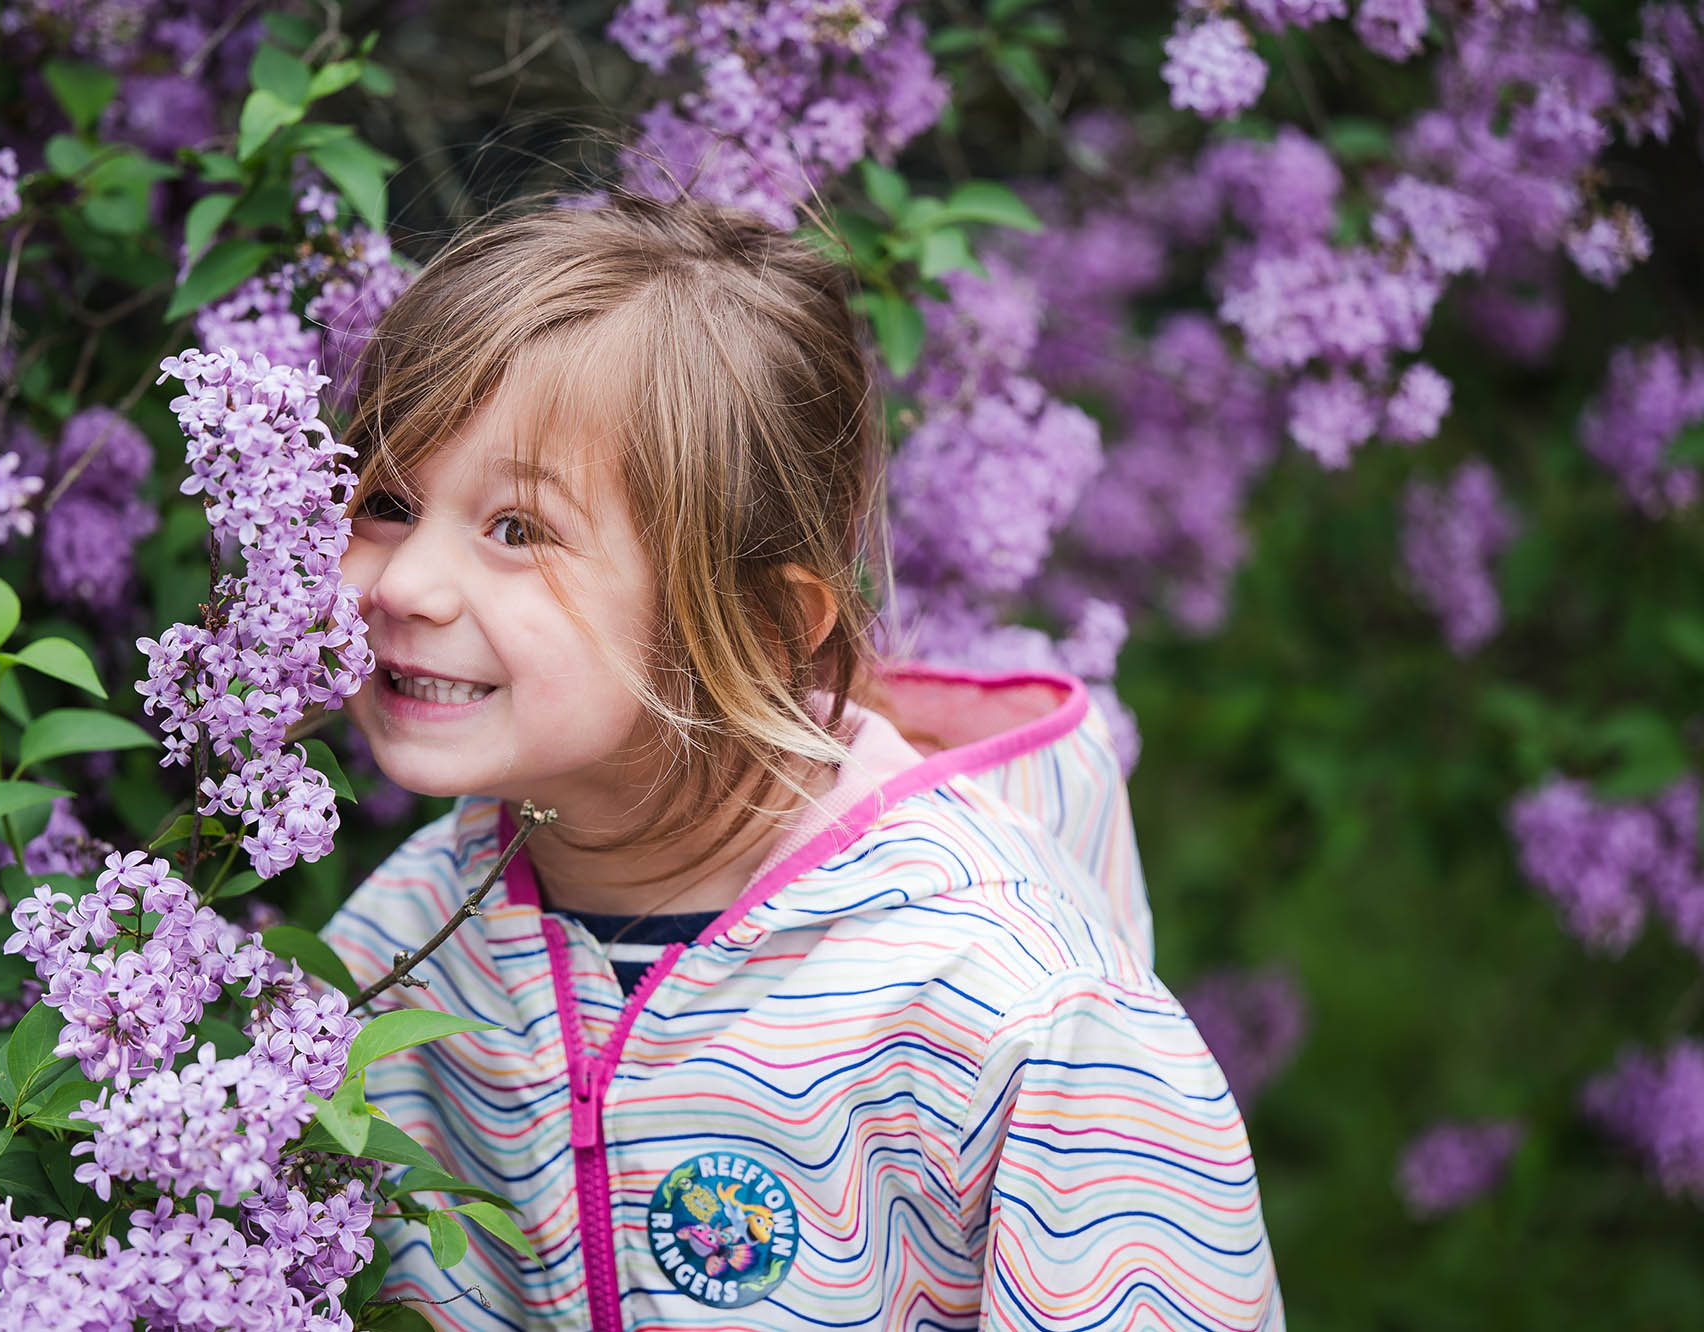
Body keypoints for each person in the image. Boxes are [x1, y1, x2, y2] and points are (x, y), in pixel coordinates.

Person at [320, 191, 1284, 1330]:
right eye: (383, 500)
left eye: (517, 529)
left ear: (766, 625)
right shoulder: (388, 955)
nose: (398, 586)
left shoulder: (1014, 1014)